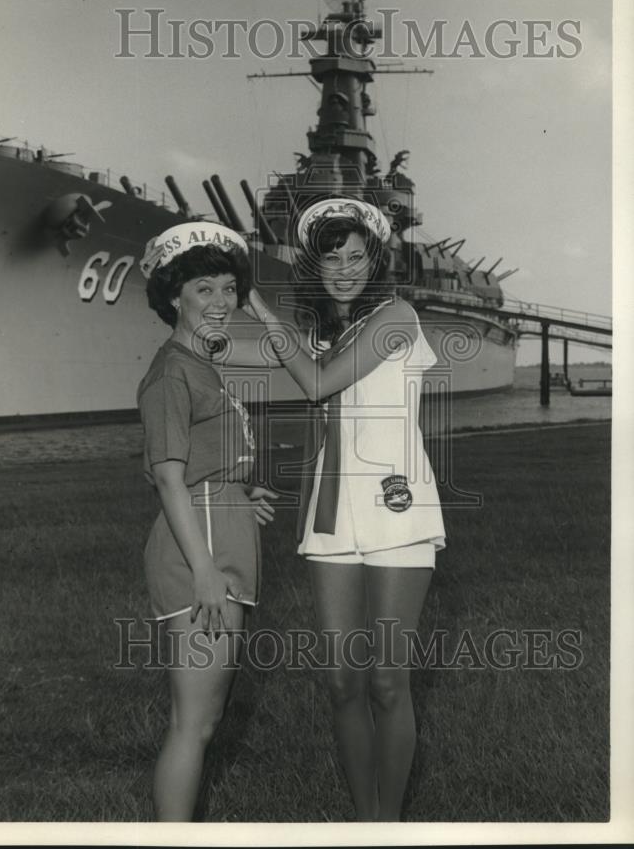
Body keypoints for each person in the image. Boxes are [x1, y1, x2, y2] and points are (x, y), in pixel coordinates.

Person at [245, 197, 446, 822]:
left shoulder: (397, 315)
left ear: (376, 260)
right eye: (331, 259)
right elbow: (301, 390)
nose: (345, 270)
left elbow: (317, 383)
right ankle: (366, 820)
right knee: (341, 684)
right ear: (315, 265)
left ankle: (387, 826)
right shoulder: (317, 334)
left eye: (357, 256)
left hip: (397, 510)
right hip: (332, 517)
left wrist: (257, 306)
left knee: (387, 683)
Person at [137, 221, 278, 822]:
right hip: (203, 550)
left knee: (204, 719)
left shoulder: (201, 364)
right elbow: (168, 478)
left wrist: (241, 493)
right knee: (194, 723)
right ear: (174, 296)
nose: (221, 303)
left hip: (222, 526)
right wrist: (204, 572)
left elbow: (200, 464)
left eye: (229, 289)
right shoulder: (173, 370)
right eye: (204, 290)